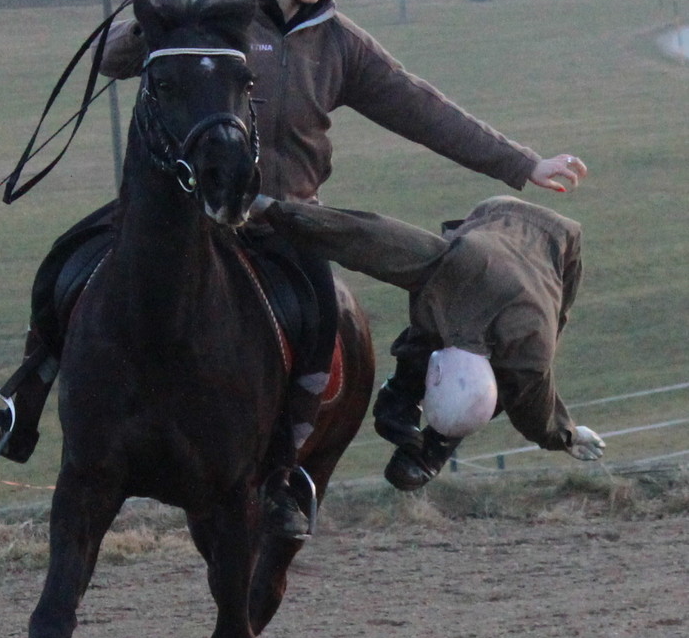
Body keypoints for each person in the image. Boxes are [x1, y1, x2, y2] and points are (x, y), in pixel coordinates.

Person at [0, 0, 589, 533]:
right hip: (188, 217)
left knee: (320, 321)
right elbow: (114, 60)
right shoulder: (220, 18)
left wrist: (521, 164)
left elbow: (423, 109)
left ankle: (285, 473)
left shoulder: (341, 45)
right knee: (66, 264)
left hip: (285, 222)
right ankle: (17, 406)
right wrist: (151, 22)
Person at [246, 193, 605, 487]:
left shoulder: (529, 343)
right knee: (440, 326)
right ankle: (403, 405)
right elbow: (365, 238)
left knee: (497, 377)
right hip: (493, 218)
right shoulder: (455, 267)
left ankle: (428, 442)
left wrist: (566, 434)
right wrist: (274, 211)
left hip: (557, 249)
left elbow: (534, 399)